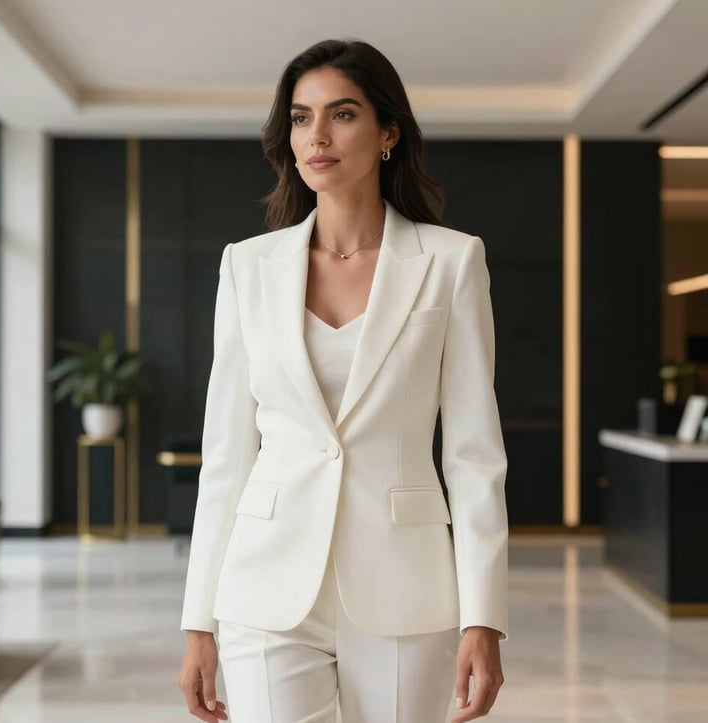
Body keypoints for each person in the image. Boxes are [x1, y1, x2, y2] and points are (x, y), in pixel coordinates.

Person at [178, 38, 509, 723]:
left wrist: (486, 616)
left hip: (404, 588)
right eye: (301, 118)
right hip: (264, 586)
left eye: (342, 114)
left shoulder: (450, 262)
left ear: (388, 132)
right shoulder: (248, 267)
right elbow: (227, 456)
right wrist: (198, 618)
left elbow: (474, 456)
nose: (317, 136)